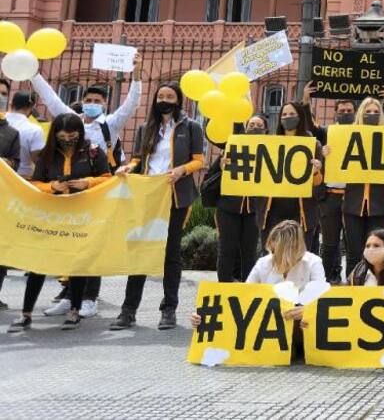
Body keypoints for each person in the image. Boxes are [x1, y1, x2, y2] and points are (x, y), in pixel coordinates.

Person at [111, 82, 205, 331]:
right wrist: (128, 167)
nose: (164, 99)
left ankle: (169, 309)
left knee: (170, 253)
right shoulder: (146, 128)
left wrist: (182, 170)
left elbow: (199, 160)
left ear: (178, 100)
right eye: (161, 95)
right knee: (140, 250)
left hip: (176, 196)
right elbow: (138, 158)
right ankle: (128, 310)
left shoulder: (191, 127)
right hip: (148, 195)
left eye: (170, 96)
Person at [8, 114, 111, 332]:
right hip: (51, 216)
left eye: (72, 136)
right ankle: (26, 313)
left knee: (77, 264)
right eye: (63, 136)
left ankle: (75, 311)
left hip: (81, 217)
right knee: (39, 264)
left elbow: (107, 178)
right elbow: (35, 183)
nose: (68, 140)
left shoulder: (93, 151)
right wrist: (52, 187)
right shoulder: (47, 155)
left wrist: (87, 182)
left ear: (80, 134)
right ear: (55, 134)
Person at [190, 220, 323, 362]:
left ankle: (297, 346)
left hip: (302, 326)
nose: (273, 256)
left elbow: (324, 301)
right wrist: (204, 317)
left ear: (293, 250)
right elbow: (242, 299)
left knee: (306, 322)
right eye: (272, 251)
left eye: (278, 252)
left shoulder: (313, 263)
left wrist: (307, 311)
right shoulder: (263, 263)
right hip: (269, 327)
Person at [30, 53, 142, 170]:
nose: (92, 103)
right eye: (88, 100)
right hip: (73, 178)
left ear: (105, 104)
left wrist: (136, 76)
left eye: (97, 101)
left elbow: (131, 104)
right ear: (83, 102)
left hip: (101, 179)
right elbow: (52, 100)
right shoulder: (73, 120)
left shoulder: (111, 124)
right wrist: (34, 75)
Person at [259, 101, 323, 252]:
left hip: (301, 210)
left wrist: (315, 171)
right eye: (284, 114)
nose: (288, 117)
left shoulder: (313, 144)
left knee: (298, 257)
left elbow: (318, 183)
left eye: (292, 114)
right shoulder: (269, 143)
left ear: (300, 117)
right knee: (272, 256)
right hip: (272, 209)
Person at [339, 97, 384, 273]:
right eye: (368, 111)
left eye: (376, 112)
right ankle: (353, 287)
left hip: (379, 204)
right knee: (354, 252)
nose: (372, 115)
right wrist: (328, 152)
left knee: (376, 252)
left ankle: (374, 286)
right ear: (361, 114)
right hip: (353, 203)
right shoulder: (347, 136)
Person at [214, 114, 268, 282]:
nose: (254, 127)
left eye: (259, 125)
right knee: (226, 251)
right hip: (228, 207)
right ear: (245, 128)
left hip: (254, 209)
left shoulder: (270, 149)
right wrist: (221, 165)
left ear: (266, 130)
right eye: (251, 124)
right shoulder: (232, 145)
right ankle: (223, 288)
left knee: (249, 252)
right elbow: (213, 176)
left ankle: (248, 290)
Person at [319, 99, 357, 284]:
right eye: (342, 110)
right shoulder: (327, 133)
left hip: (353, 196)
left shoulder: (362, 133)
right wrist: (322, 154)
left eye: (349, 110)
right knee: (329, 244)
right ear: (335, 112)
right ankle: (324, 281)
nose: (345, 113)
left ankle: (352, 282)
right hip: (331, 195)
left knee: (353, 244)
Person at [0, 79, 22, 310]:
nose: (1, 97)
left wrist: (5, 162)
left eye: (4, 93)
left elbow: (16, 163)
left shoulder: (11, 132)